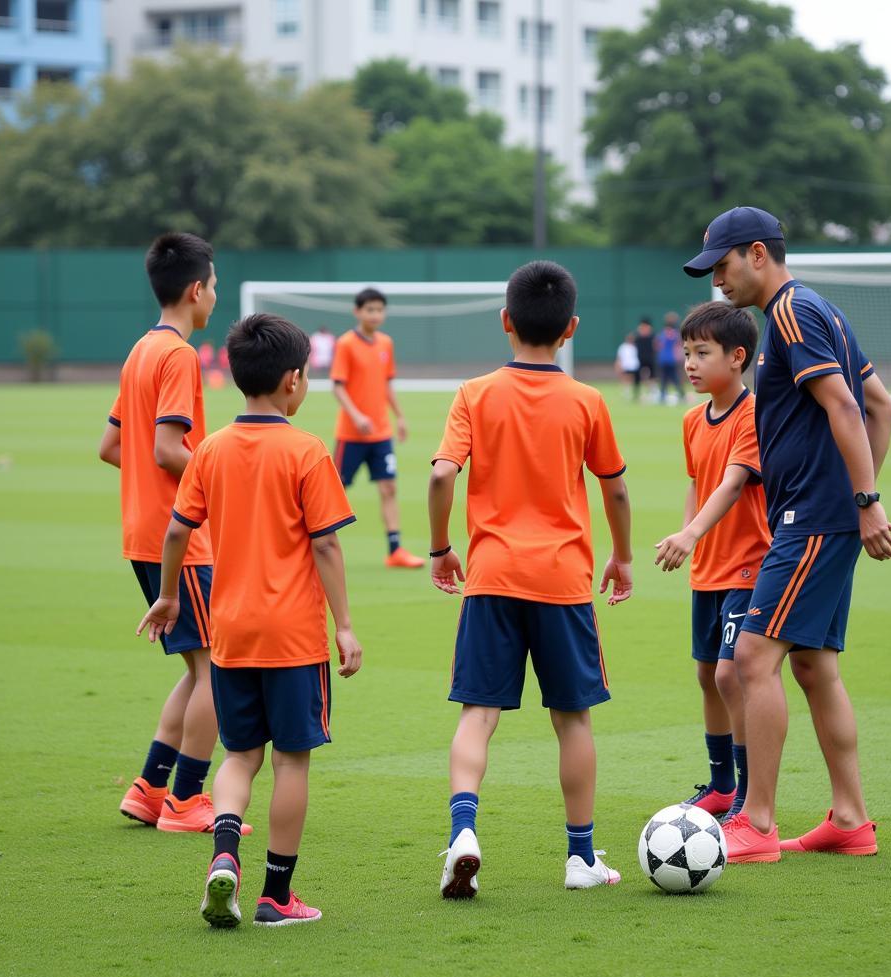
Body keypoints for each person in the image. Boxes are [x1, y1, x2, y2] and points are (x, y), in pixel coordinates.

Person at [684, 206, 891, 863]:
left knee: (752, 659)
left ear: (756, 253)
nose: (717, 280)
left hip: (810, 518)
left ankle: (757, 821)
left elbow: (844, 405)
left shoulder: (787, 314)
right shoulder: (820, 308)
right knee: (812, 666)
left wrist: (861, 499)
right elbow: (881, 405)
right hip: (824, 514)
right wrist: (853, 500)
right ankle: (850, 819)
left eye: (722, 266)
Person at [137, 313, 363, 928]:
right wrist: (343, 624)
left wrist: (168, 597)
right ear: (293, 380)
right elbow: (325, 545)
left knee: (238, 757)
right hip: (292, 638)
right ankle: (276, 896)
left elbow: (178, 530)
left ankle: (225, 858)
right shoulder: (307, 450)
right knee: (291, 761)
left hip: (229, 632)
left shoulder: (209, 450)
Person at [428, 260, 633, 898]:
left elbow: (440, 476)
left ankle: (463, 832)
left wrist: (440, 548)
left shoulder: (474, 393)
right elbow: (615, 487)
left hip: (491, 577)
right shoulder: (587, 400)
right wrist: (622, 555)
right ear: (570, 329)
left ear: (505, 321)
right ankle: (580, 859)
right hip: (563, 581)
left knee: (478, 714)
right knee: (573, 721)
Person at [99, 232, 238, 833]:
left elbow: (112, 447)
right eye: (215, 287)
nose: (216, 297)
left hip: (142, 533)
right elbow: (165, 449)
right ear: (195, 289)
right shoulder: (179, 356)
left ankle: (150, 788)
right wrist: (222, 477)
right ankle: (187, 801)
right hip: (183, 537)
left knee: (195, 667)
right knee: (217, 672)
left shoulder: (139, 351)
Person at [653, 301, 771, 823]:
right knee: (707, 676)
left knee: (731, 676)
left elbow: (732, 482)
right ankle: (721, 786)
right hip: (709, 566)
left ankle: (748, 796)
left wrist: (691, 531)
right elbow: (698, 483)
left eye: (702, 353)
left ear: (738, 357)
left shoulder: (754, 414)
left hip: (750, 563)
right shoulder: (690, 419)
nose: (690, 363)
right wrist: (690, 539)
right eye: (686, 352)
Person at [330, 288, 424, 569]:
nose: (375, 314)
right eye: (369, 309)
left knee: (389, 488)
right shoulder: (346, 344)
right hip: (352, 434)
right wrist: (357, 416)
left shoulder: (386, 344)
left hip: (381, 433)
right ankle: (312, 542)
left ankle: (395, 550)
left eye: (379, 309)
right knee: (335, 490)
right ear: (357, 311)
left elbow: (386, 384)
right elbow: (338, 387)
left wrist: (401, 417)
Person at [656, 312, 686, 405]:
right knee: (675, 378)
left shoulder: (662, 334)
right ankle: (681, 395)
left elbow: (657, 345)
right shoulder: (676, 334)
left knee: (664, 379)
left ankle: (662, 396)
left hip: (662, 358)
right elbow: (680, 344)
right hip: (672, 359)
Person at [632, 316, 657, 401]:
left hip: (650, 358)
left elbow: (655, 346)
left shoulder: (652, 335)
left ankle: (653, 393)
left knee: (652, 376)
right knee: (637, 376)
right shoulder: (637, 336)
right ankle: (637, 394)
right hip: (640, 359)